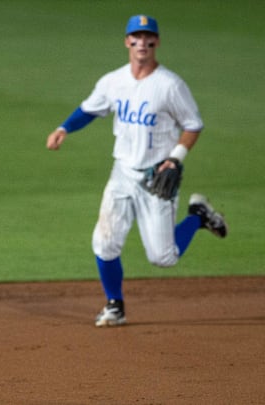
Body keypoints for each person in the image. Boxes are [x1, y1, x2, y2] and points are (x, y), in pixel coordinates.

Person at [45, 15, 228, 327]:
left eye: (148, 37)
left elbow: (193, 125)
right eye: (136, 37)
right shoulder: (113, 81)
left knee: (163, 257)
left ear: (157, 42)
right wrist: (64, 127)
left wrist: (176, 158)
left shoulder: (170, 85)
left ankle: (198, 215)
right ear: (126, 41)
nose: (142, 42)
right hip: (122, 174)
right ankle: (115, 305)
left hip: (157, 178)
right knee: (104, 243)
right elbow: (90, 109)